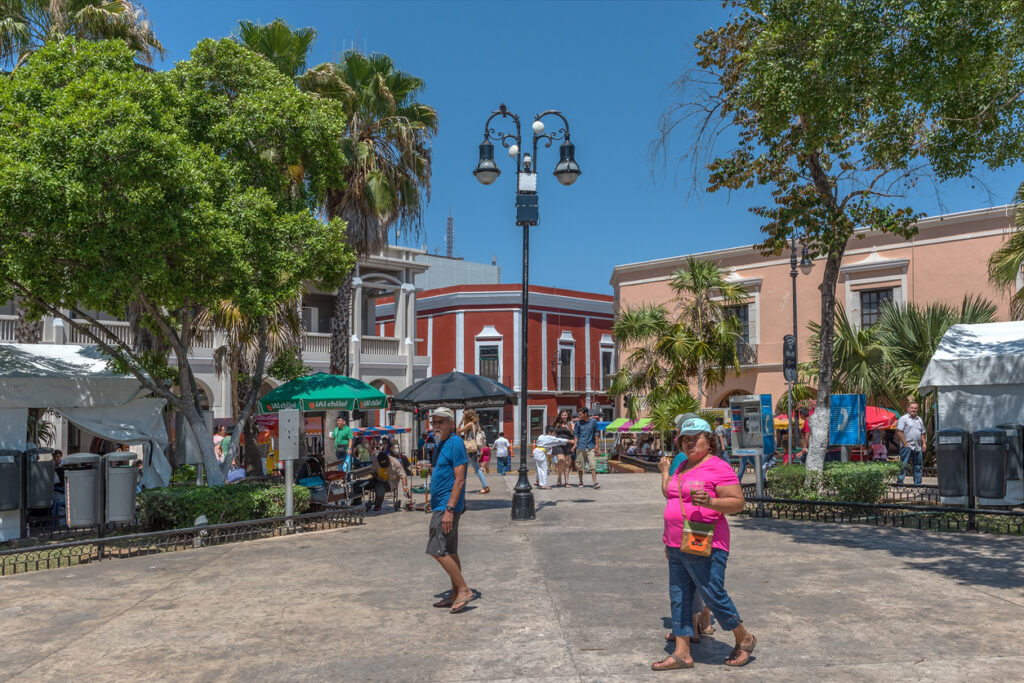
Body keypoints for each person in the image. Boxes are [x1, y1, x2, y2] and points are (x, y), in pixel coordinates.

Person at [652, 417, 757, 671]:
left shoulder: (718, 467)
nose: (689, 443)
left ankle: (744, 638)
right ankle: (682, 652)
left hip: (707, 540)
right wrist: (669, 540)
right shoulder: (682, 466)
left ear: (708, 441)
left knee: (712, 592)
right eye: (685, 439)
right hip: (677, 542)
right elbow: (672, 497)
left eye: (695, 438)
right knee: (679, 596)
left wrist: (711, 502)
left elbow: (737, 503)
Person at [425, 407, 474, 614]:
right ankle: (455, 592)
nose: (435, 425)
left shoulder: (455, 443)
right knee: (450, 550)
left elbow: (460, 478)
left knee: (436, 550)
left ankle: (463, 589)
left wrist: (449, 509)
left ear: (451, 424)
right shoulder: (442, 444)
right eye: (434, 421)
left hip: (447, 506)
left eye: (440, 421)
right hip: (441, 504)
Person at [457, 409, 489, 494]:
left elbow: (458, 431)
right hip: (472, 449)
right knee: (463, 467)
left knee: (476, 469)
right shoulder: (475, 424)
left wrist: (461, 421)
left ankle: (485, 487)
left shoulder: (470, 424)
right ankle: (459, 486)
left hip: (470, 449)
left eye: (464, 416)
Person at [896, 402, 927, 486]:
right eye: (912, 408)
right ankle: (900, 482)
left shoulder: (919, 419)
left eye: (915, 408)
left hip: (917, 447)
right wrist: (905, 444)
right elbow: (899, 432)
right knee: (903, 465)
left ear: (917, 409)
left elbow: (922, 432)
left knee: (918, 466)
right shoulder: (903, 419)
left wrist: (924, 443)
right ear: (908, 408)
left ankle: (918, 483)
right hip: (907, 446)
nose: (913, 409)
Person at [574, 407, 602, 489]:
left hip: (590, 446)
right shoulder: (578, 423)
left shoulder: (593, 422)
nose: (579, 416)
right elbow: (576, 435)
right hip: (580, 446)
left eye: (580, 414)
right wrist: (574, 445)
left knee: (592, 464)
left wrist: (597, 445)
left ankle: (595, 482)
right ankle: (580, 481)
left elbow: (596, 433)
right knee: (580, 466)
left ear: (585, 414)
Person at [533, 425, 568, 489]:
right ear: (549, 432)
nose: (554, 434)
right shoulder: (549, 438)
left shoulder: (541, 436)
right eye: (553, 433)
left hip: (537, 452)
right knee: (544, 468)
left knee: (539, 467)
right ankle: (543, 484)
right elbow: (558, 440)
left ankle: (537, 481)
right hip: (540, 452)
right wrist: (568, 441)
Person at [552, 409, 575, 487]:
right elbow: (554, 433)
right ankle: (559, 478)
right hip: (558, 444)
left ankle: (566, 482)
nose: (564, 416)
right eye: (562, 415)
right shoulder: (557, 424)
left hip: (568, 444)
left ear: (567, 416)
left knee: (567, 463)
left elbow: (574, 434)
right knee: (561, 460)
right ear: (560, 416)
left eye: (565, 415)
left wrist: (570, 429)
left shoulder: (570, 423)